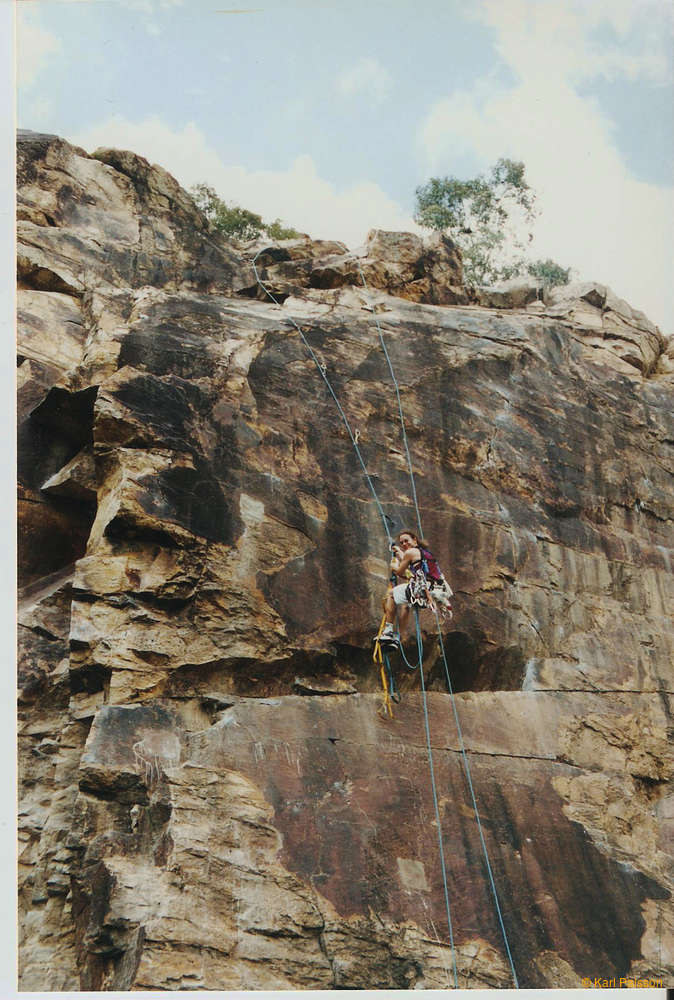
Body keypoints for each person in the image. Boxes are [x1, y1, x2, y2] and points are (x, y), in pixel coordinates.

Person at [377, 529, 452, 645]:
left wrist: (394, 566)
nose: (404, 544)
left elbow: (399, 571)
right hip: (434, 588)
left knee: (391, 595)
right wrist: (399, 552)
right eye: (401, 543)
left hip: (422, 589)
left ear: (414, 539)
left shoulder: (410, 553)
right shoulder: (425, 553)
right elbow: (410, 562)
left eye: (406, 541)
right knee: (406, 604)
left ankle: (388, 631)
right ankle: (399, 636)